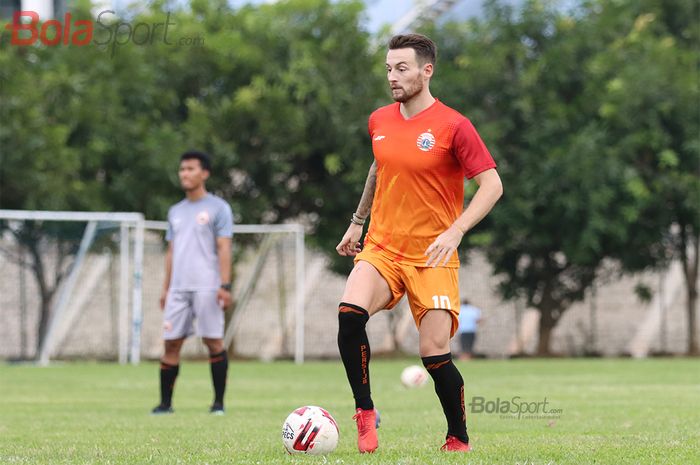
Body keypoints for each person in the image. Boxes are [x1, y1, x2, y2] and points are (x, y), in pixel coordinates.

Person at [335, 33, 502, 453]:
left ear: (427, 70)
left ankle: (457, 438)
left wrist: (457, 229)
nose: (393, 76)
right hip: (383, 248)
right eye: (389, 68)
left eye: (402, 68)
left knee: (435, 355)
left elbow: (492, 185)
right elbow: (379, 168)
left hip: (433, 256)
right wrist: (358, 222)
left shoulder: (455, 125)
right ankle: (364, 411)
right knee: (349, 314)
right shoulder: (379, 120)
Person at [151, 151, 234, 416]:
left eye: (190, 169)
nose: (184, 174)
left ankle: (218, 404)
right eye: (182, 169)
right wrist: (166, 288)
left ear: (204, 173)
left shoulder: (218, 208)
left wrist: (225, 285)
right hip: (178, 289)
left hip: (208, 287)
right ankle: (165, 405)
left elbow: (224, 247)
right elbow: (171, 251)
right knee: (171, 344)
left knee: (213, 342)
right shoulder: (175, 211)